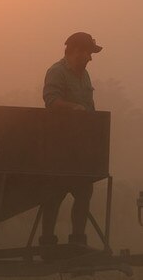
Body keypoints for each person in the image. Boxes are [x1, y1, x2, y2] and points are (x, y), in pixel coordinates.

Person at [39, 31, 102, 255]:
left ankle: (78, 244)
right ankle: (47, 245)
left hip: (80, 149)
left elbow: (90, 107)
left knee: (84, 194)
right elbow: (51, 100)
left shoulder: (84, 76)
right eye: (88, 53)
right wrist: (73, 108)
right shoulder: (57, 72)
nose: (90, 58)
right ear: (76, 50)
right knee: (53, 198)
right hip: (58, 148)